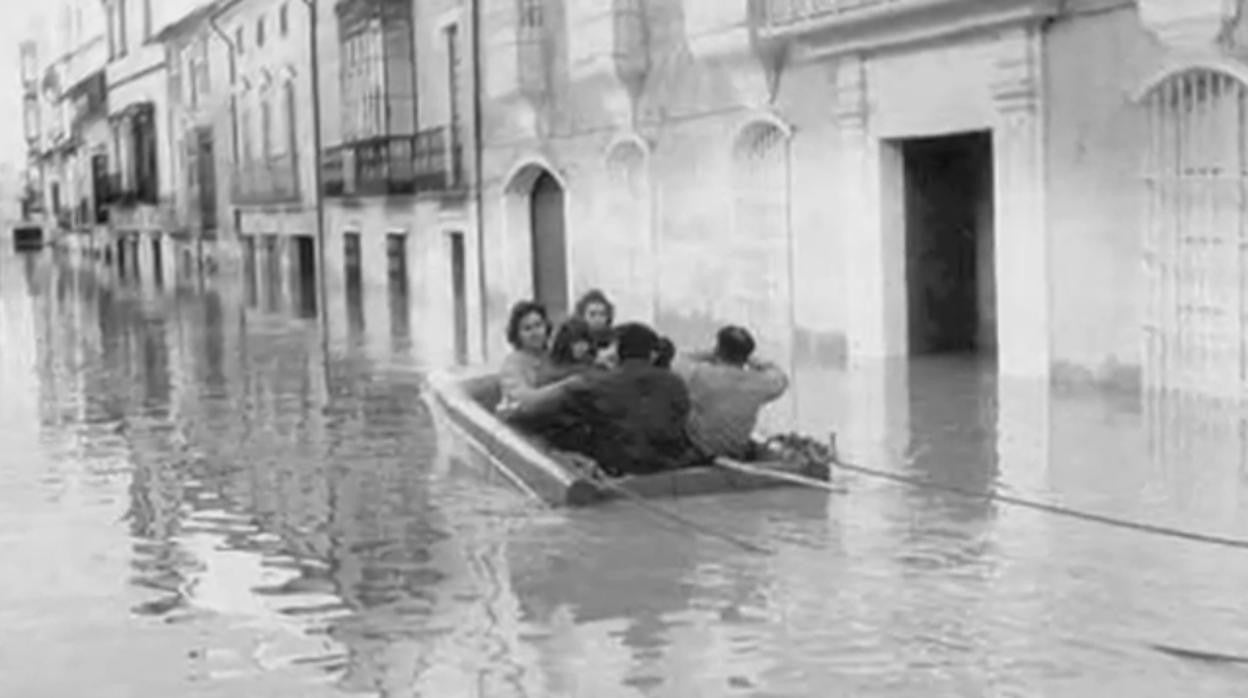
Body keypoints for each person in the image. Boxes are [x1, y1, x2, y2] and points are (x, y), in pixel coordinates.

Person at [530, 323, 694, 476]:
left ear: (617, 353)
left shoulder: (598, 383)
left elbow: (537, 413)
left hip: (618, 471)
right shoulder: (676, 383)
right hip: (670, 468)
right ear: (652, 355)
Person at [672, 325, 789, 462]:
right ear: (746, 355)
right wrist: (753, 360)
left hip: (698, 452)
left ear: (718, 349)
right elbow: (780, 376)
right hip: (736, 453)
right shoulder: (758, 382)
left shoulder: (701, 375)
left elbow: (680, 360)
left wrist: (710, 354)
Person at [496, 300, 572, 418]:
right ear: (517, 334)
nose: (535, 333)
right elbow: (524, 401)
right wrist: (567, 386)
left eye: (538, 325)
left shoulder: (551, 355)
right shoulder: (512, 365)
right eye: (527, 329)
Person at [537, 317, 597, 387]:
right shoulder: (545, 362)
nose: (584, 347)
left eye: (586, 343)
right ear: (565, 342)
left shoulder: (589, 363)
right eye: (577, 342)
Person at [573, 289, 615, 353]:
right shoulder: (575, 338)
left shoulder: (613, 338)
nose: (597, 319)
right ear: (582, 316)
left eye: (602, 314)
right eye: (592, 314)